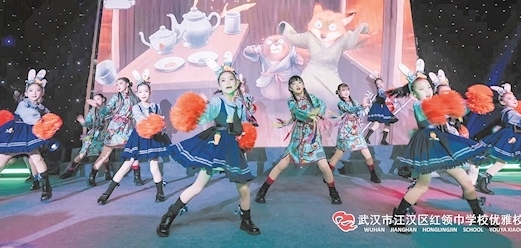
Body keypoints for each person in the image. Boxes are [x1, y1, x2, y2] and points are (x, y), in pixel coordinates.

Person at [157, 57, 260, 237]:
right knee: (198, 186)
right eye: (223, 80)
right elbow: (204, 118)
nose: (227, 83)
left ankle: (246, 220)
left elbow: (243, 126)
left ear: (237, 83)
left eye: (231, 79)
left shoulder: (240, 105)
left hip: (233, 148)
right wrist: (198, 110)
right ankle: (169, 215)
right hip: (216, 145)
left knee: (243, 188)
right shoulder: (217, 101)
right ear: (219, 85)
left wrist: (244, 138)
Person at [386, 60, 490, 233]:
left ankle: (479, 216)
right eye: (421, 89)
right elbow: (438, 114)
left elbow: (451, 112)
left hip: (441, 144)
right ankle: (397, 218)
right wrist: (457, 107)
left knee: (466, 182)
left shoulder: (434, 102)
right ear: (413, 93)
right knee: (422, 186)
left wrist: (468, 104)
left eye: (428, 87)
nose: (427, 91)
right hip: (428, 146)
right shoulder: (419, 105)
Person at [0, 69, 62, 208]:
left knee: (37, 158)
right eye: (31, 90)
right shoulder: (23, 104)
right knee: (0, 164)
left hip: (28, 135)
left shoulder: (41, 107)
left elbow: (48, 116)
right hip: (15, 133)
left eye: (37, 90)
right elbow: (30, 117)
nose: (34, 93)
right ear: (26, 93)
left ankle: (46, 187)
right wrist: (42, 122)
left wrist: (51, 123)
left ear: (42, 92)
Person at [254, 75, 343, 205]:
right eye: (294, 84)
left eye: (299, 82)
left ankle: (333, 192)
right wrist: (311, 115)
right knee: (282, 164)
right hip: (298, 138)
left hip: (313, 138)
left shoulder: (312, 97)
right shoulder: (291, 101)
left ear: (303, 84)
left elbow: (322, 105)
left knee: (324, 165)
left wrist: (319, 112)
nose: (297, 85)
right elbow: (298, 113)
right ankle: (262, 190)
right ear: (290, 88)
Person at [98, 70, 171, 204]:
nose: (143, 94)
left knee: (154, 166)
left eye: (146, 91)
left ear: (150, 92)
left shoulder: (156, 106)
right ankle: (106, 193)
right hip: (139, 137)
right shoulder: (136, 107)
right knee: (126, 165)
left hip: (153, 138)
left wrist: (161, 125)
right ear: (137, 93)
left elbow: (161, 124)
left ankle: (160, 193)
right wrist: (155, 119)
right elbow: (141, 118)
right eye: (140, 92)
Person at [86, 77, 139, 187]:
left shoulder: (135, 98)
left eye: (120, 83)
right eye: (117, 84)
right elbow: (107, 110)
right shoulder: (116, 97)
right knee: (105, 153)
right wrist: (98, 106)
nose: (118, 86)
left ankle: (137, 177)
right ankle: (92, 176)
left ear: (127, 84)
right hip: (115, 128)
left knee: (133, 152)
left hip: (129, 128)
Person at [328, 83, 381, 183]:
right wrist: (361, 107)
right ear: (339, 93)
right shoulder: (341, 104)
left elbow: (359, 113)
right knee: (338, 154)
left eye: (347, 89)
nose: (346, 92)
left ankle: (373, 174)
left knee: (366, 152)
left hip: (356, 131)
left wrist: (361, 112)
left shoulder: (355, 102)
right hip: (346, 132)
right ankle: (327, 174)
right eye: (343, 90)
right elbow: (349, 110)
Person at [60, 93, 112, 180]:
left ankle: (107, 172)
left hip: (104, 135)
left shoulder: (106, 109)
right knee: (82, 154)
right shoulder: (91, 112)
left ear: (103, 100)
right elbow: (89, 125)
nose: (96, 101)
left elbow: (109, 118)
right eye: (94, 100)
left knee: (104, 155)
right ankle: (70, 170)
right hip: (92, 136)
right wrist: (83, 122)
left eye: (98, 99)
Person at [365, 74, 398, 145]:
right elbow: (384, 94)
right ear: (376, 85)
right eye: (377, 84)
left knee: (387, 124)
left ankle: (383, 140)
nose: (379, 85)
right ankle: (366, 138)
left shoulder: (382, 90)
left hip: (382, 107)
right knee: (377, 124)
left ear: (383, 83)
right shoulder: (381, 90)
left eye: (381, 83)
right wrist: (393, 93)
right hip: (378, 107)